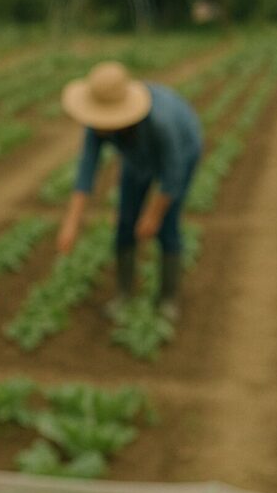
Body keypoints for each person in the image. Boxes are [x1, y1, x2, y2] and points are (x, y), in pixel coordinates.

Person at [56, 61, 202, 320]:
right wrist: (71, 223)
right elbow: (87, 169)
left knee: (167, 224)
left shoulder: (161, 122)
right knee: (126, 219)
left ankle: (168, 298)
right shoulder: (98, 124)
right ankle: (124, 294)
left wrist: (154, 215)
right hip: (137, 160)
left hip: (183, 151)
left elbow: (173, 173)